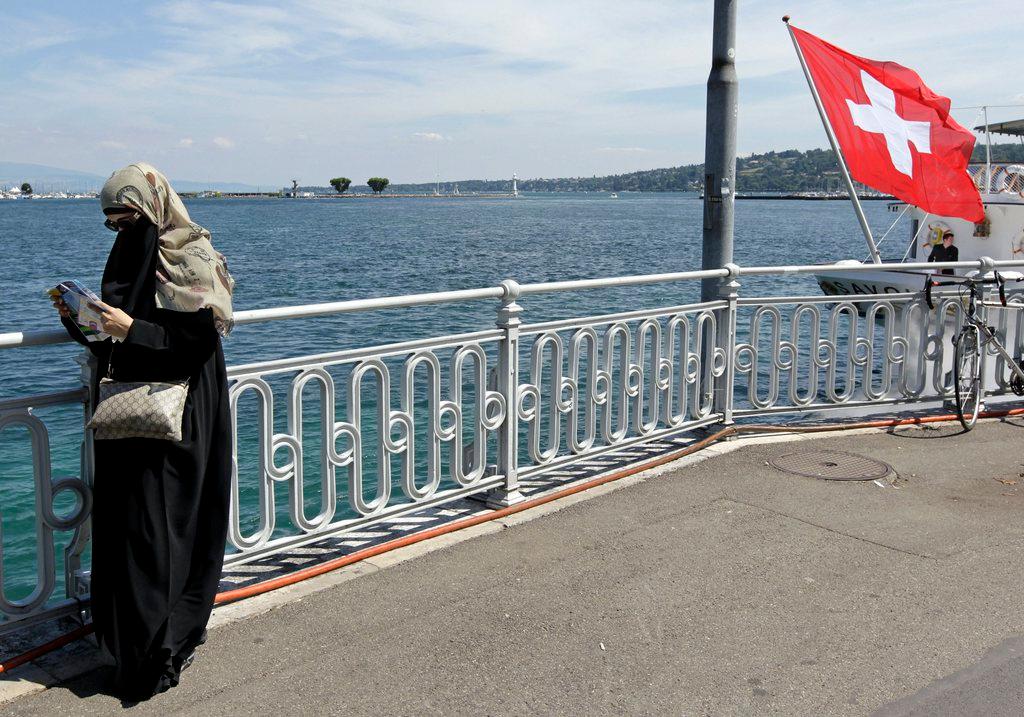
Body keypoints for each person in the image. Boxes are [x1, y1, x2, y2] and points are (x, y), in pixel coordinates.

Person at [51, 163, 234, 701]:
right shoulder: (134, 253)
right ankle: (130, 650)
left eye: (127, 218)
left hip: (180, 414)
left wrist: (130, 328)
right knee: (130, 531)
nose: (120, 231)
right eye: (111, 223)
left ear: (152, 208)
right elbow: (117, 341)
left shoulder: (190, 257)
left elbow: (196, 341)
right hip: (131, 412)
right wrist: (82, 320)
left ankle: (162, 649)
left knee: (162, 530)